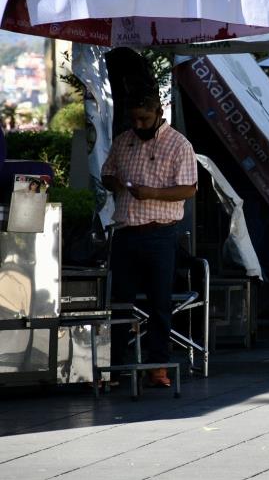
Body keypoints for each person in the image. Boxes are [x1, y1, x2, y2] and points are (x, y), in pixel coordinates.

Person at [101, 84, 198, 387]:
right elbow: (106, 173)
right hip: (126, 232)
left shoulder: (178, 145)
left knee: (159, 301)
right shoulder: (123, 142)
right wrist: (114, 182)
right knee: (119, 301)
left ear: (159, 113)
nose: (138, 125)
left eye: (144, 119)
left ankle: (159, 365)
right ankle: (115, 365)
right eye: (134, 120)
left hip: (160, 234)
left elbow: (188, 189)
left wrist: (151, 193)